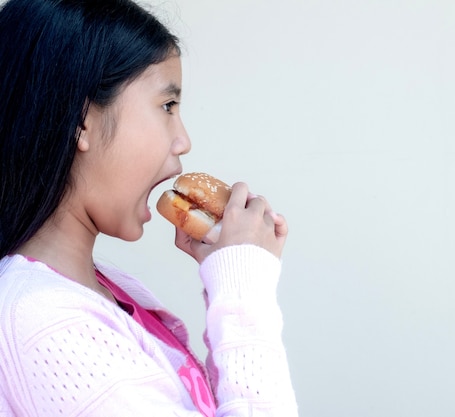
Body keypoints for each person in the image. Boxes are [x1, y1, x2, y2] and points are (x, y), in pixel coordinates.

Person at [0, 0, 298, 416]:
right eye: (167, 106)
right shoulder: (48, 323)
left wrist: (225, 280)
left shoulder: (100, 292)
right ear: (81, 120)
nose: (183, 140)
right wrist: (244, 292)